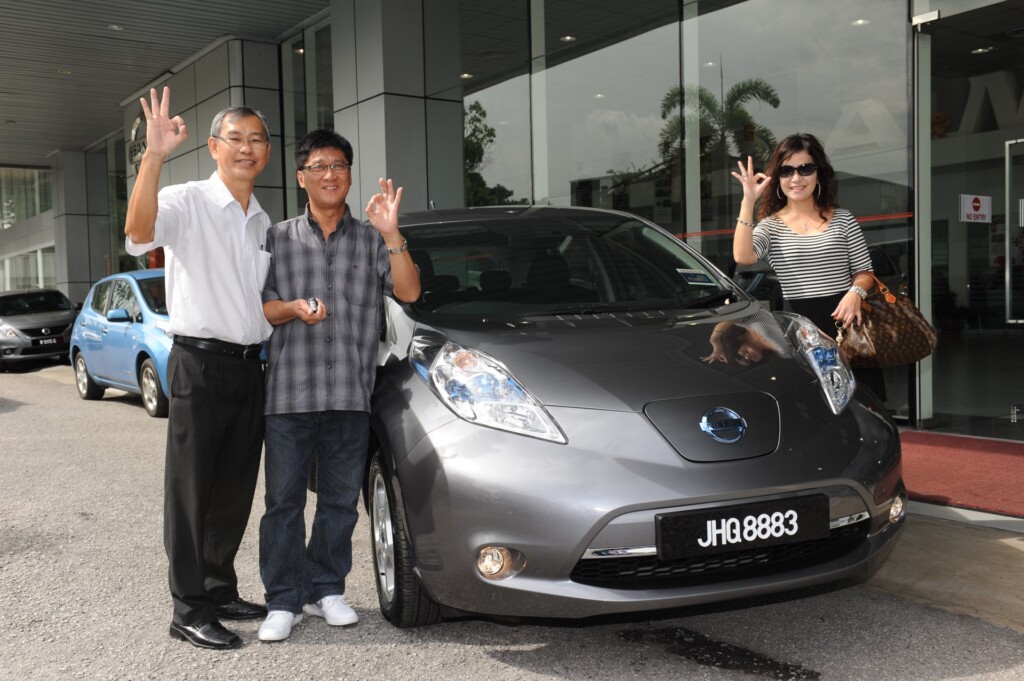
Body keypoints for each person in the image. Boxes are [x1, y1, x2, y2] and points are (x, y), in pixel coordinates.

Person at [256, 129, 421, 642]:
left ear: (349, 174)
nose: (331, 174)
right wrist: (291, 309)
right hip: (288, 393)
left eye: (340, 165)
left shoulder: (373, 238)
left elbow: (410, 290)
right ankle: (282, 600)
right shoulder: (276, 238)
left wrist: (392, 233)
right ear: (301, 176)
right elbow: (260, 307)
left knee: (339, 501)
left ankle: (327, 588)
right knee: (283, 501)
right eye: (319, 166)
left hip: (351, 392)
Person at [124, 87, 273, 650]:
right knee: (191, 490)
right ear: (213, 147)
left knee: (234, 488)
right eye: (235, 138)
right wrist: (154, 157)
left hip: (248, 367)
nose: (247, 148)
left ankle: (217, 586)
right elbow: (139, 234)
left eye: (257, 139)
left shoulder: (261, 219)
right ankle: (187, 608)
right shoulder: (186, 200)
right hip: (199, 364)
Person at [730, 132, 886, 401]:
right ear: (778, 178)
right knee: (811, 405)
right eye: (787, 170)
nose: (796, 178)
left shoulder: (843, 220)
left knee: (860, 404)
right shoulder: (771, 226)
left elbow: (865, 272)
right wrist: (748, 200)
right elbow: (743, 257)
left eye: (805, 168)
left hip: (846, 323)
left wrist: (854, 294)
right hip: (800, 328)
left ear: (819, 173)